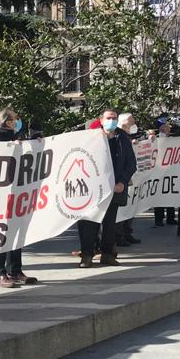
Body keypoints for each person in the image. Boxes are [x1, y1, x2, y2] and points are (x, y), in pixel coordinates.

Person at [75, 109, 136, 268]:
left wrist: (122, 182)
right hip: (93, 190)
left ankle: (107, 254)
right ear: (101, 120)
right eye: (109, 118)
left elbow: (131, 163)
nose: (112, 121)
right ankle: (87, 255)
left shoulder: (122, 138)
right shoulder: (91, 138)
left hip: (114, 189)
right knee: (89, 223)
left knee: (110, 225)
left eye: (114, 118)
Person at [0, 107, 37, 286]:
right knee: (1, 234)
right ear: (7, 121)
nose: (17, 121)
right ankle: (0, 273)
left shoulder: (13, 136)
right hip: (0, 195)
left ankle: (15, 270)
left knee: (17, 232)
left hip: (16, 192)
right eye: (15, 119)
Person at [115, 113, 142, 247]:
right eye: (132, 121)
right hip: (122, 178)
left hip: (128, 178)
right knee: (120, 209)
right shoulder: (119, 136)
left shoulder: (128, 137)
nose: (134, 123)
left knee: (129, 207)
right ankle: (119, 236)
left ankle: (126, 232)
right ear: (124, 122)